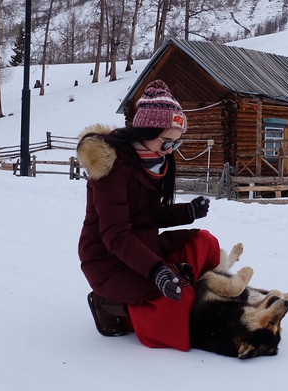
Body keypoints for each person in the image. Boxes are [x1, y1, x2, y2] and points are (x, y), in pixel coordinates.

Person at [76, 79, 220, 351]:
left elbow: (148, 216)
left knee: (206, 243)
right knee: (180, 306)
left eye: (175, 144)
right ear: (146, 131)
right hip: (109, 261)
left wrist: (187, 212)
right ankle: (109, 305)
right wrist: (158, 272)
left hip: (143, 249)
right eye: (166, 142)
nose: (170, 151)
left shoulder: (152, 161)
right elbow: (116, 236)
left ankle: (193, 291)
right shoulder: (113, 168)